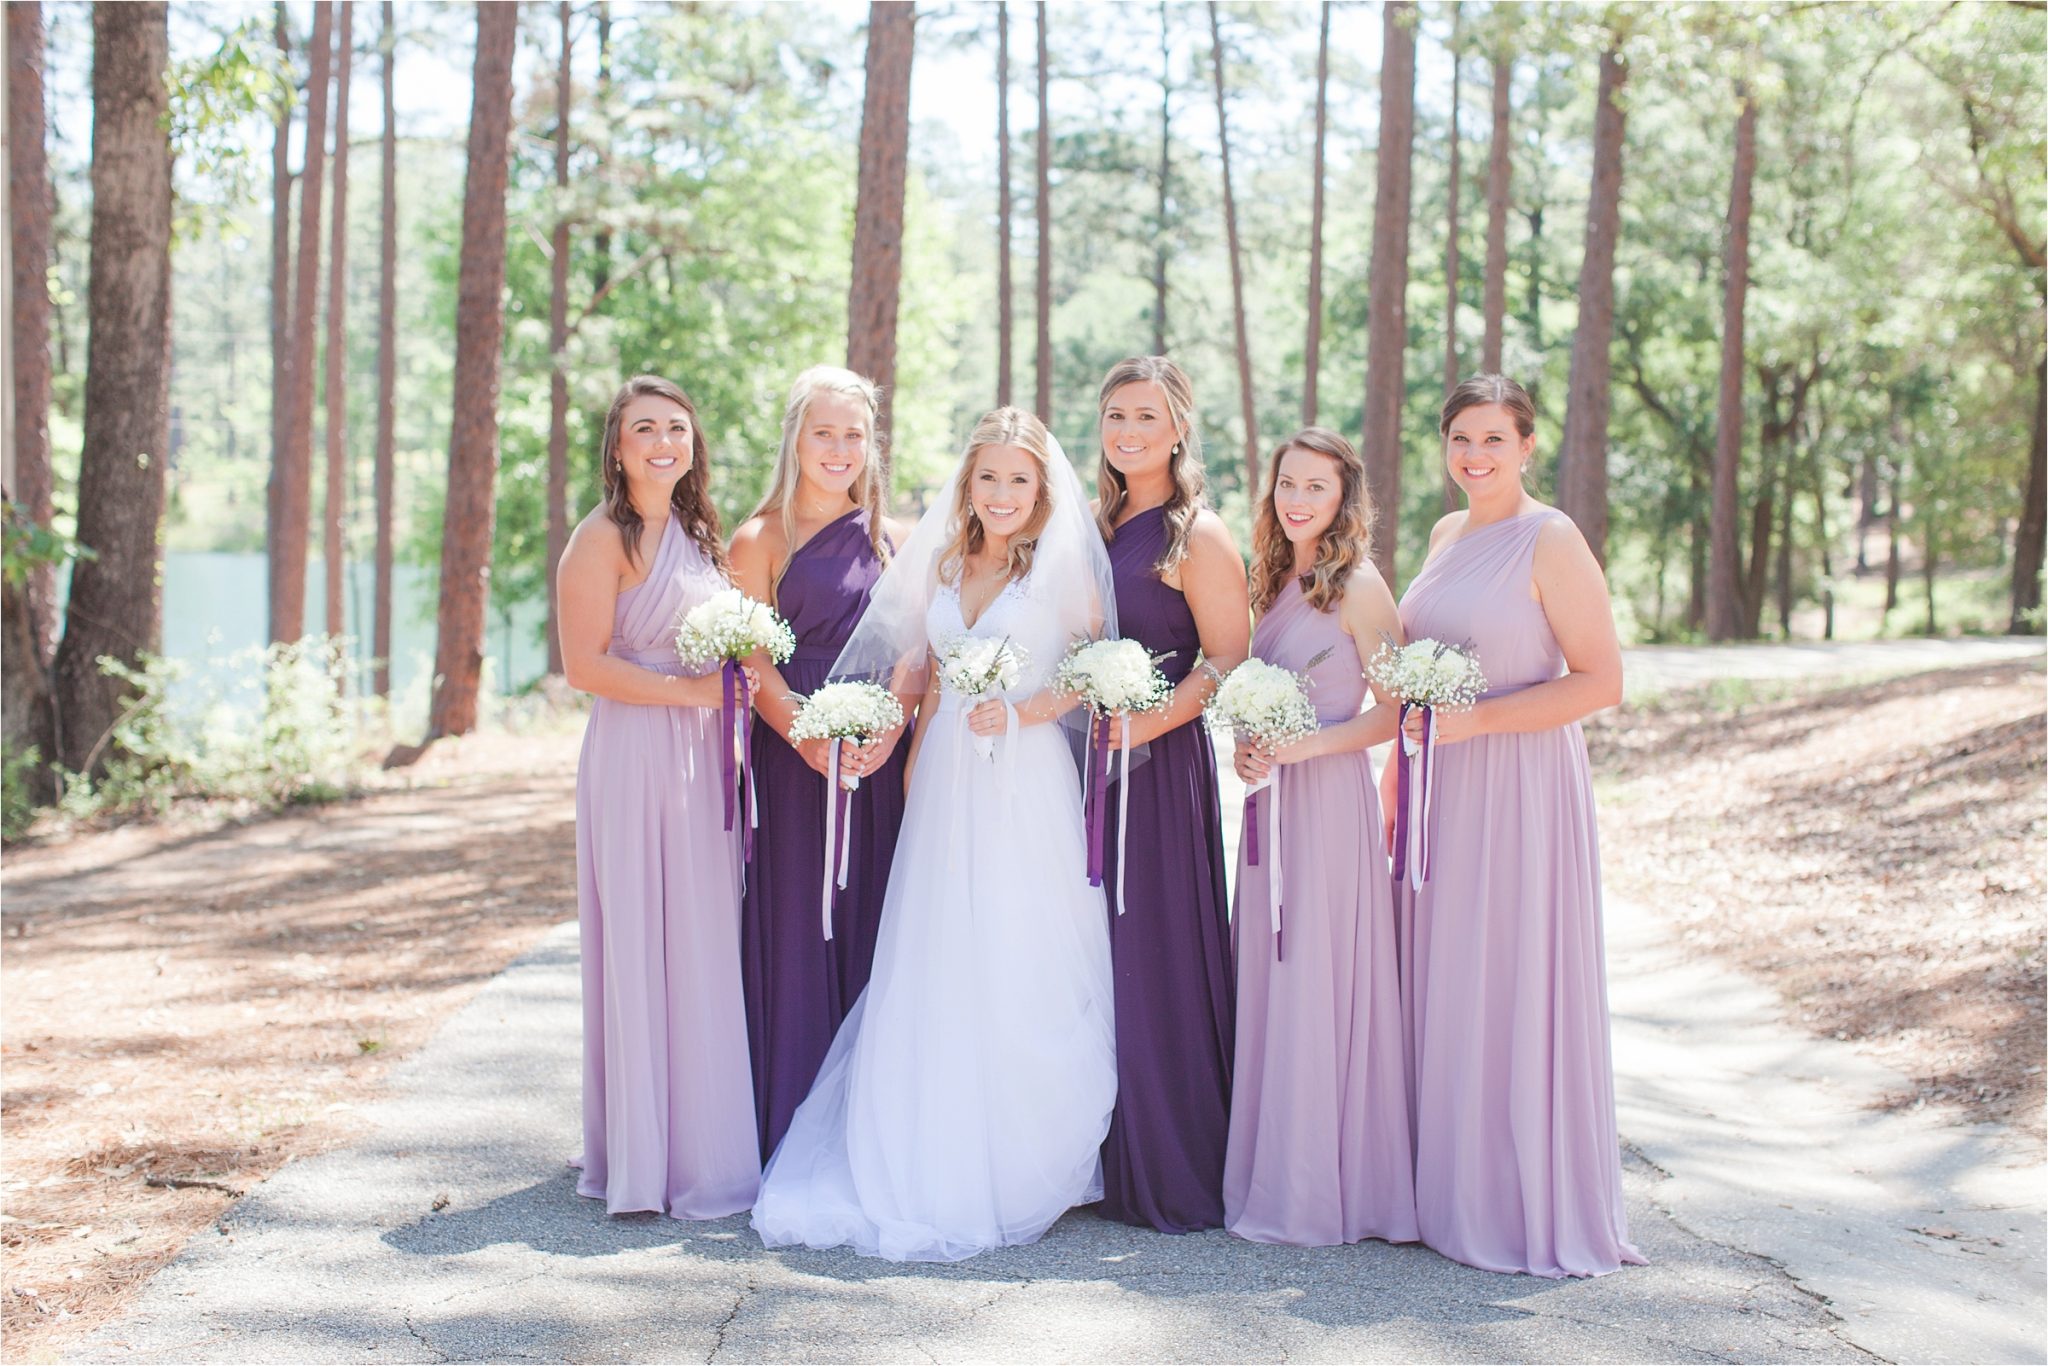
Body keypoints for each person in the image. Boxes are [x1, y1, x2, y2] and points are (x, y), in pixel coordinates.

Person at [751, 407, 1118, 1262]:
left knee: (1020, 947)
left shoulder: (1064, 573)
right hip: (947, 774)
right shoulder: (946, 563)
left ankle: (1024, 1153)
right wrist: (889, 737)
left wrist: (1028, 708)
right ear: (967, 486)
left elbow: (1095, 670)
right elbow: (916, 664)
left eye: (1017, 480)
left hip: (1025, 779)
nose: (1001, 493)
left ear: (1042, 488)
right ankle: (930, 1139)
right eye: (986, 477)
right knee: (940, 951)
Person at [1393, 373, 1643, 1277]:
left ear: (1529, 445)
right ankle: (1447, 1187)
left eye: (1495, 438)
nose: (1475, 455)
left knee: (1508, 974)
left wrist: (1478, 722)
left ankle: (1516, 1196)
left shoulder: (1552, 538)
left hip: (1522, 786)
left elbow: (1601, 682)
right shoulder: (1445, 533)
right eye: (1461, 437)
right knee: (1448, 975)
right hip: (1440, 790)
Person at [556, 375, 759, 1219]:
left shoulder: (699, 531)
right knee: (644, 936)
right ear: (617, 446)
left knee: (702, 938)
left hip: (703, 753)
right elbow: (584, 666)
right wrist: (692, 698)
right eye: (646, 428)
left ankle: (703, 1142)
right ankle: (644, 1155)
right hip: (637, 751)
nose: (664, 441)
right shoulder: (602, 538)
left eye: (678, 426)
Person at [1222, 427, 1417, 1248]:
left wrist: (1304, 745)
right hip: (1272, 803)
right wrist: (1249, 745)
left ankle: (1325, 1184)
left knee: (1316, 973)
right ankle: (1270, 1167)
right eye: (1288, 484)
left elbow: (1398, 709)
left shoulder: (1359, 585)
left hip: (1330, 800)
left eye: (1317, 488)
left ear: (1345, 500)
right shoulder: (1269, 579)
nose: (1298, 500)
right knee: (1269, 974)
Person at [729, 366, 912, 1163]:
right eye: (824, 432)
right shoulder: (760, 539)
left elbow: (915, 652)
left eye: (854, 434)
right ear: (795, 438)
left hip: (872, 762)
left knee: (874, 927)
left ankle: (866, 1131)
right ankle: (786, 1123)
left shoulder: (889, 536)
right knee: (798, 928)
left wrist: (893, 732)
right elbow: (751, 662)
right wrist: (804, 736)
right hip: (792, 760)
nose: (839, 449)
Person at [1090, 357, 1247, 1233]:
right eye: (1117, 415)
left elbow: (1226, 655)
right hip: (1083, 766)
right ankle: (1099, 1152)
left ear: (1179, 426)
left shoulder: (1199, 533)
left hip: (1157, 769)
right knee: (1092, 952)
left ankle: (1172, 1157)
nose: (1130, 431)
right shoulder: (1087, 526)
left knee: (1151, 949)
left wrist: (1146, 727)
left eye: (1147, 416)